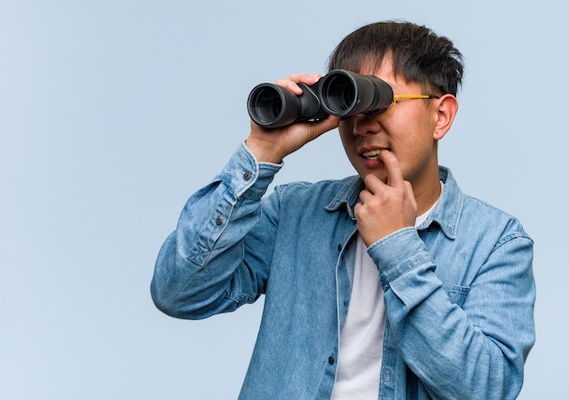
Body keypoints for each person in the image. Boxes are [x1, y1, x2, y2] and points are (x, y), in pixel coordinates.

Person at [150, 21, 536, 400]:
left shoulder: (496, 242)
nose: (362, 126)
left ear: (441, 116)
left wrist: (398, 248)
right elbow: (179, 293)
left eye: (381, 101)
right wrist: (260, 153)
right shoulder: (295, 213)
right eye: (349, 106)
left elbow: (488, 387)